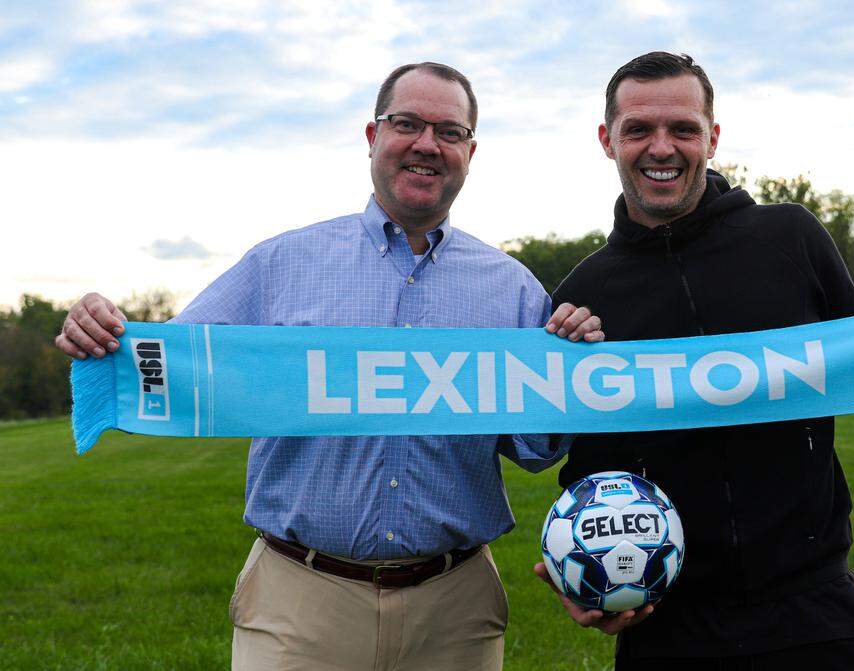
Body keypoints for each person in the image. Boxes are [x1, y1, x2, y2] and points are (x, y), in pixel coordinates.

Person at [55, 62, 603, 671]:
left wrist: (569, 368)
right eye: (407, 124)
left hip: (457, 610)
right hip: (300, 603)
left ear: (470, 151)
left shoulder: (512, 289)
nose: (427, 144)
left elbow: (536, 448)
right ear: (373, 137)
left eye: (448, 131)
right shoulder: (280, 265)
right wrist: (100, 329)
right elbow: (170, 370)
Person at [537, 52, 854, 670]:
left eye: (683, 129)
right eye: (639, 130)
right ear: (608, 140)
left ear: (712, 137)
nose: (663, 148)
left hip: (814, 616)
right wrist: (575, 574)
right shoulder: (585, 295)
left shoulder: (790, 237)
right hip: (669, 628)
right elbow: (586, 476)